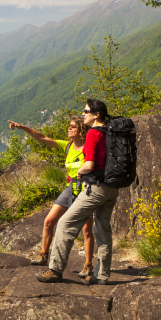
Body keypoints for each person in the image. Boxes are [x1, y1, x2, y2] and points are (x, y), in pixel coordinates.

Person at [36, 99, 118, 285]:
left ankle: (55, 270)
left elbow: (88, 164)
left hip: (96, 187)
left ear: (97, 115)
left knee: (65, 223)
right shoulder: (111, 131)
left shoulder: (93, 133)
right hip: (112, 187)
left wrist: (80, 173)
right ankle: (102, 276)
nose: (83, 113)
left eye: (87, 111)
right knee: (103, 230)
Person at [7, 117, 95, 278]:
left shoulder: (88, 148)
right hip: (70, 188)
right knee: (49, 221)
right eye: (69, 126)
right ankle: (43, 255)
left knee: (86, 230)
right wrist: (23, 127)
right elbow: (42, 137)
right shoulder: (67, 146)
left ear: (81, 130)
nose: (68, 128)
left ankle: (88, 265)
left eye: (72, 127)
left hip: (85, 189)